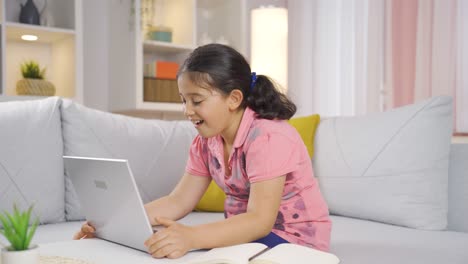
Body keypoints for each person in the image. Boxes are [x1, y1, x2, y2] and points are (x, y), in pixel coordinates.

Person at [74, 43, 331, 259]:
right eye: (183, 100)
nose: (187, 110)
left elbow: (259, 220)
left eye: (196, 101)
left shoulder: (269, 137)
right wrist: (114, 223)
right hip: (246, 235)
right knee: (154, 247)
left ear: (234, 99)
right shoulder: (206, 142)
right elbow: (178, 201)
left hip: (295, 240)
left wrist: (192, 236)